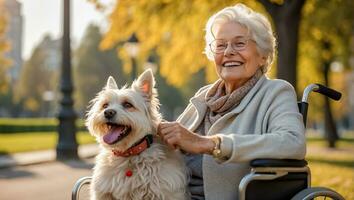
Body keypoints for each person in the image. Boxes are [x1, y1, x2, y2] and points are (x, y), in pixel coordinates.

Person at [158, 3, 306, 200]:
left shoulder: (276, 92)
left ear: (262, 55)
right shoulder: (205, 96)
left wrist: (210, 144)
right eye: (221, 45)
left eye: (239, 43)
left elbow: (292, 143)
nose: (228, 51)